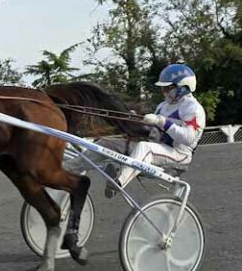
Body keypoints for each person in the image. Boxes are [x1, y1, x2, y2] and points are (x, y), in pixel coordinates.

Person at [66, 63, 207, 198]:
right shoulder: (163, 106)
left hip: (178, 154)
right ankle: (68, 168)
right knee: (105, 143)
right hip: (157, 146)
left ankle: (118, 182)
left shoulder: (193, 108)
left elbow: (189, 138)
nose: (164, 92)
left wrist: (161, 121)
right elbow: (153, 131)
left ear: (183, 87)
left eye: (167, 88)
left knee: (145, 147)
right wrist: (137, 120)